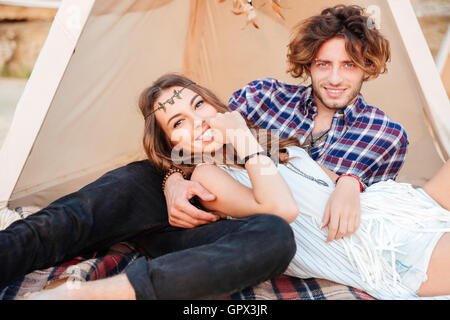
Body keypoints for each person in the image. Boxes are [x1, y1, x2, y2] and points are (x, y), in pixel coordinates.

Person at [31, 73, 449, 300]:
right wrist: (227, 147)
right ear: (174, 144)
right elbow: (281, 211)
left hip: (390, 209)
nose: (198, 121)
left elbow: (317, 183)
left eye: (199, 105)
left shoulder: (266, 143)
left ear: (215, 104)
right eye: (180, 123)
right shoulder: (209, 175)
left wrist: (347, 183)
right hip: (377, 251)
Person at [163, 5, 409, 244]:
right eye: (323, 64)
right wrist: (173, 181)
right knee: (137, 177)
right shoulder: (262, 97)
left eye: (349, 65)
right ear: (307, 64)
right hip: (242, 230)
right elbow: (197, 145)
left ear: (367, 66)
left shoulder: (388, 137)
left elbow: (376, 213)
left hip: (317, 246)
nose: (335, 79)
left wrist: (352, 183)